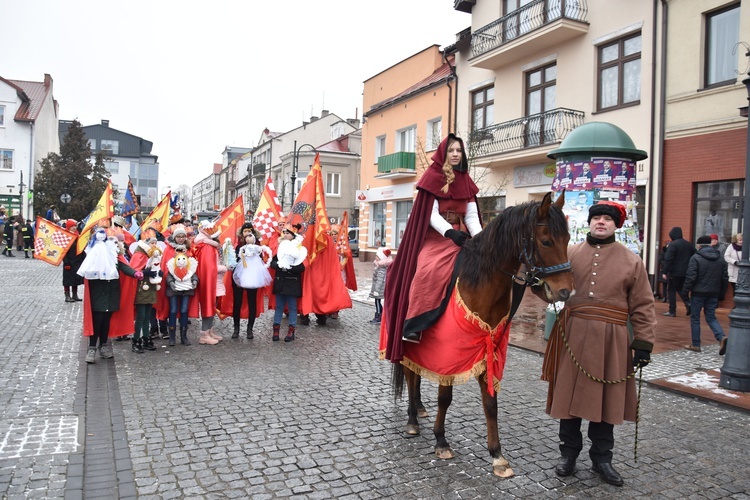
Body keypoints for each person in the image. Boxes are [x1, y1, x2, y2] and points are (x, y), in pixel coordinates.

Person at [543, 201, 656, 487]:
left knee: (606, 402)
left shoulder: (632, 261)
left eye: (607, 219)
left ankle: (602, 458)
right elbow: (551, 286)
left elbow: (643, 304)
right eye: (597, 218)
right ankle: (568, 454)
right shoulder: (570, 253)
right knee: (568, 400)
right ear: (589, 223)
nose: (601, 222)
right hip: (573, 334)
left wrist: (643, 342)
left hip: (612, 341)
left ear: (617, 225)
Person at [382, 133, 482, 351]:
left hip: (461, 234)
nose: (456, 154)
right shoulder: (433, 176)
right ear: (444, 153)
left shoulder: (466, 180)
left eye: (459, 151)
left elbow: (472, 215)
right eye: (451, 150)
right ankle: (414, 324)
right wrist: (449, 232)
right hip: (436, 237)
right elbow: (430, 214)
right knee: (428, 268)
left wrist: (480, 238)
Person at [77, 228, 142, 363]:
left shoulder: (115, 257)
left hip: (112, 293)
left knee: (106, 321)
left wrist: (135, 273)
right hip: (98, 294)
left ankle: (103, 345)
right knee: (97, 321)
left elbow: (124, 267)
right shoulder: (93, 256)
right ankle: (92, 347)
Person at [682, 235, 728, 354]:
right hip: (714, 293)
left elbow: (691, 277)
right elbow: (724, 278)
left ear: (699, 245)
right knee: (711, 317)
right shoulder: (720, 259)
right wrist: (721, 294)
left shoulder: (696, 258)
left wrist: (685, 292)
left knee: (695, 317)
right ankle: (721, 337)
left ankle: (696, 344)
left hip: (698, 293)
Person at [269, 224, 307, 342]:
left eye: (288, 233)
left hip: (292, 283)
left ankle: (291, 331)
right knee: (279, 307)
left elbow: (301, 267)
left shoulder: (299, 249)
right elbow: (272, 262)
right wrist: (279, 265)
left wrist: (289, 268)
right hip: (280, 281)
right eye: (284, 233)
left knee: (292, 308)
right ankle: (276, 331)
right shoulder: (280, 247)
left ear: (293, 235)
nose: (285, 235)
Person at [188, 220, 222, 345]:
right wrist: (222, 268)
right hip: (209, 281)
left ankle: (209, 330)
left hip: (213, 280)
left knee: (212, 304)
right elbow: (209, 267)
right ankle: (204, 333)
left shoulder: (208, 245)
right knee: (208, 303)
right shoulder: (206, 246)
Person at [231, 232, 272, 339]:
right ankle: (236, 328)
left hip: (253, 275)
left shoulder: (257, 247)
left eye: (249, 235)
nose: (247, 237)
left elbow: (264, 255)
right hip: (241, 273)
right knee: (237, 303)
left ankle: (250, 329)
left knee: (252, 302)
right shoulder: (240, 247)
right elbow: (236, 259)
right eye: (245, 235)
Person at [129, 237, 164, 353]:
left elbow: (157, 266)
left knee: (147, 315)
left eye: (155, 242)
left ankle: (145, 337)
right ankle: (136, 339)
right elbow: (134, 270)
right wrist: (145, 272)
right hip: (141, 288)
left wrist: (159, 272)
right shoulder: (139, 254)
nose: (154, 244)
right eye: (151, 243)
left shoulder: (154, 255)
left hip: (151, 288)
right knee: (140, 316)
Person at [165, 247, 198, 346]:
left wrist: (195, 281)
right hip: (174, 291)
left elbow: (194, 275)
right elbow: (169, 276)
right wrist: (171, 283)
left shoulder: (189, 267)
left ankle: (184, 336)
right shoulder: (172, 266)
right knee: (173, 311)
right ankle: (172, 336)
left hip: (186, 291)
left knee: (184, 311)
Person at [661, 227, 695, 317]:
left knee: (671, 290)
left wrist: (664, 271)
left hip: (674, 272)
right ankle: (688, 303)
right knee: (681, 289)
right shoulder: (688, 244)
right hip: (686, 272)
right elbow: (694, 256)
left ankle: (672, 311)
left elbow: (668, 259)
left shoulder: (673, 245)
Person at [62, 219, 85, 302]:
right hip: (69, 262)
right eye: (72, 226)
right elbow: (63, 251)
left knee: (75, 279)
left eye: (75, 226)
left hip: (77, 261)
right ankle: (67, 295)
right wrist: (66, 262)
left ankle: (75, 295)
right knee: (67, 280)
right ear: (69, 227)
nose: (74, 228)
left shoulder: (78, 236)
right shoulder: (66, 237)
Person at [368, 246, 393, 324]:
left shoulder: (381, 268)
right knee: (377, 302)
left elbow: (380, 280)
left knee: (377, 302)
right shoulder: (380, 266)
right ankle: (380, 315)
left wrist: (376, 290)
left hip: (379, 290)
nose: (376, 257)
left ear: (382, 258)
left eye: (377, 256)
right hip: (379, 289)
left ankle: (378, 316)